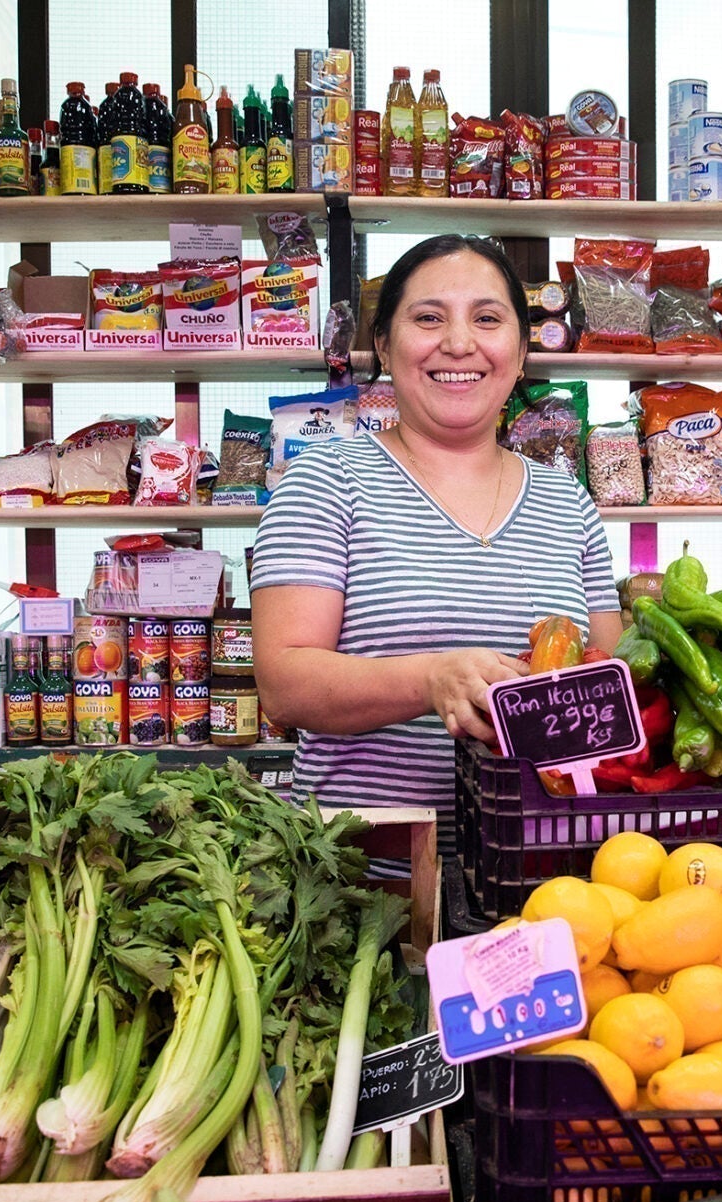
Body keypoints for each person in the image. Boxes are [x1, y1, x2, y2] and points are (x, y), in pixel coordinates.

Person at [251, 234, 621, 842]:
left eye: (487, 318)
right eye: (428, 318)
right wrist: (432, 680)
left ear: (521, 352)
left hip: (546, 884)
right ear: (384, 348)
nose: (458, 343)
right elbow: (284, 685)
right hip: (366, 886)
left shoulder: (567, 501)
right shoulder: (326, 480)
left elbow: (607, 686)